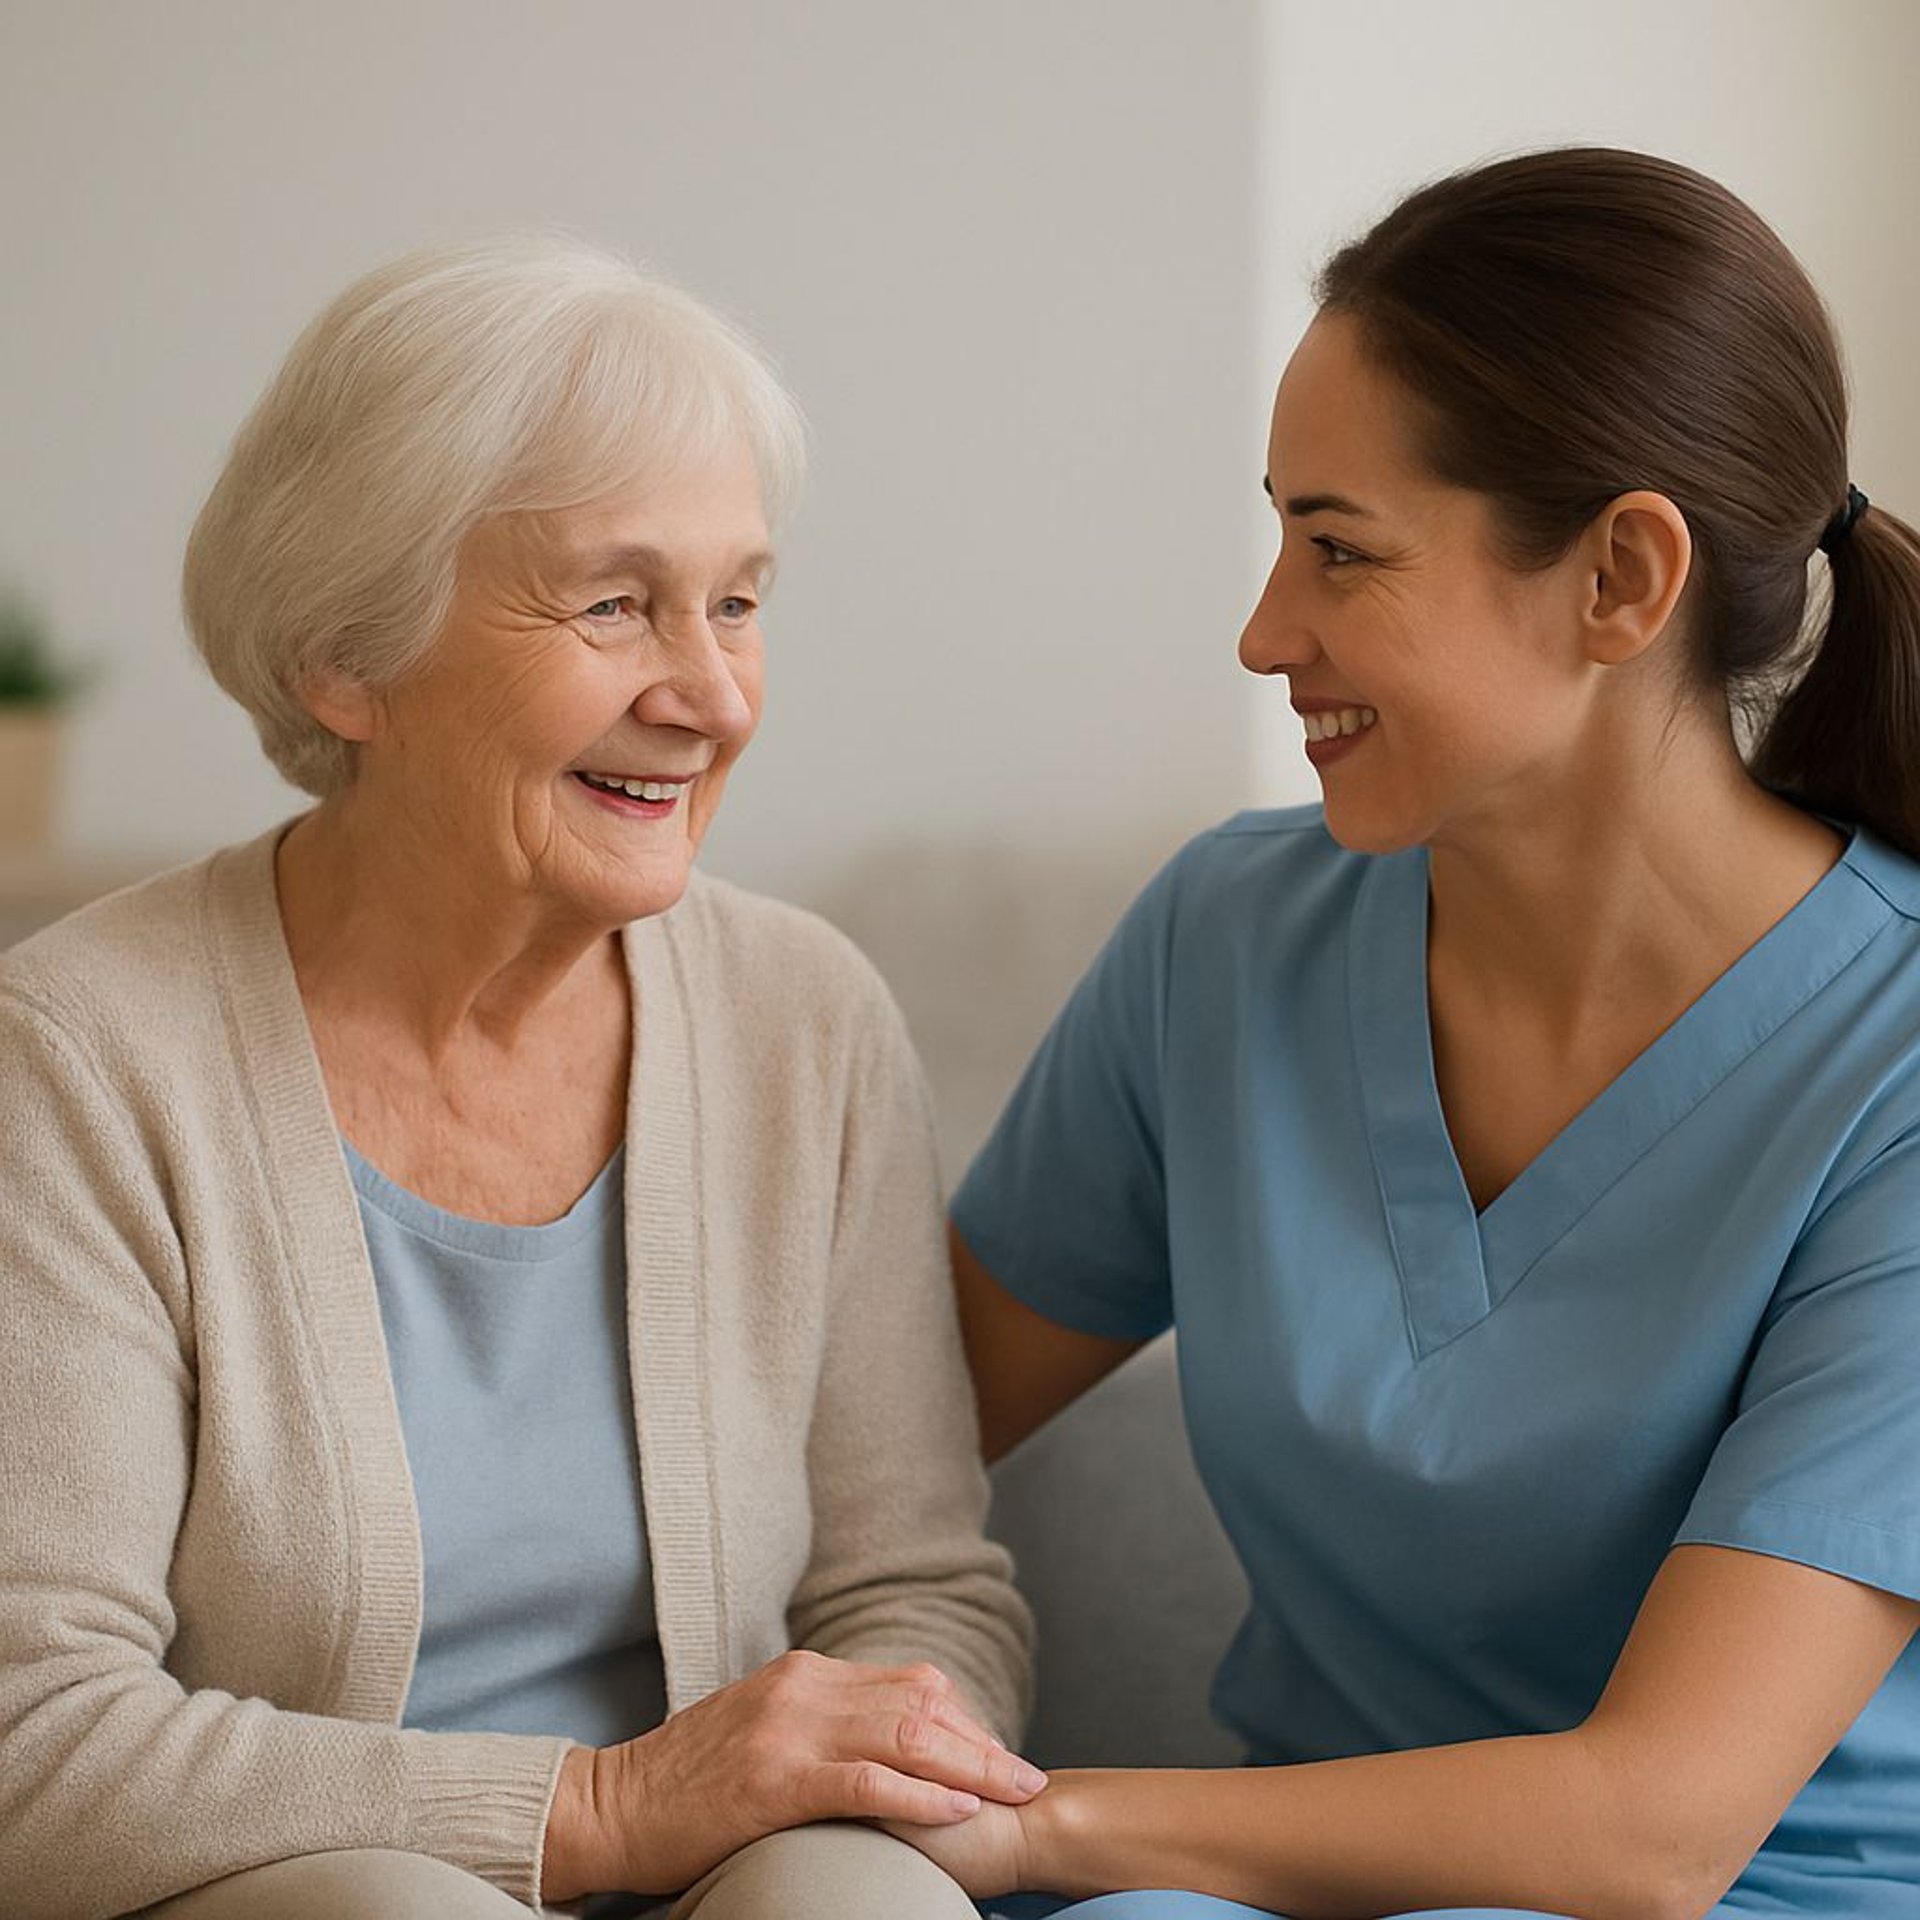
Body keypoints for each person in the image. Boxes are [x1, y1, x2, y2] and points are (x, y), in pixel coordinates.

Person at [901, 149, 1920, 1919]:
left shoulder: (1892, 1068)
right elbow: (874, 1431)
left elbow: (1657, 1832)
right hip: (1257, 1887)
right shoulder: (1225, 945)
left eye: (1338, 550)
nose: (1262, 631)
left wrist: (1038, 1827)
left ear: (1620, 578)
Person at [0, 236, 1041, 1920]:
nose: (707, 694)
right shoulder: (78, 1061)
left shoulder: (807, 1018)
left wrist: (852, 1790)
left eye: (741, 601)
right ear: (349, 652)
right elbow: (29, 1742)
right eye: (616, 602)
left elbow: (918, 1592)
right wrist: (605, 1808)